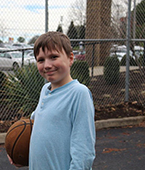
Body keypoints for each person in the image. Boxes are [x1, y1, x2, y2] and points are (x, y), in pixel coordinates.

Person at [8, 31, 96, 170]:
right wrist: (19, 152)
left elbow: (84, 151)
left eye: (53, 57)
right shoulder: (45, 90)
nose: (47, 65)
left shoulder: (79, 93)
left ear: (70, 58)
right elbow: (34, 126)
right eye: (41, 60)